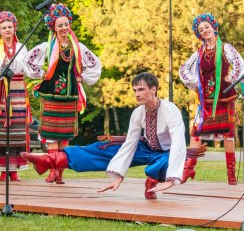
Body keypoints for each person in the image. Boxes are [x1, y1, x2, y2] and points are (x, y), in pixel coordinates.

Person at [21, 72, 188, 199]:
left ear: (153, 89)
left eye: (141, 89)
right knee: (102, 149)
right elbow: (129, 145)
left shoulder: (170, 110)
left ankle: (153, 180)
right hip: (146, 148)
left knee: (162, 161)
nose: (137, 94)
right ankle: (48, 161)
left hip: (166, 153)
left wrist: (171, 180)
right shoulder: (138, 113)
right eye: (135, 90)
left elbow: (179, 143)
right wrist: (118, 176)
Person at [24, 3, 101, 184]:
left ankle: (60, 173)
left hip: (70, 95)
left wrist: (82, 77)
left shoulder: (77, 47)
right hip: (51, 94)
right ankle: (52, 171)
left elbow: (95, 63)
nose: (64, 28)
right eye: (60, 25)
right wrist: (40, 74)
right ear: (54, 27)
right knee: (51, 134)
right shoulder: (47, 47)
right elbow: (29, 60)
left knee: (64, 136)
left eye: (66, 24)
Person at [179, 13, 244, 185]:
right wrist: (193, 83)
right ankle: (188, 169)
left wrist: (231, 77)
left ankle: (231, 176)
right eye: (201, 30)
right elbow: (184, 68)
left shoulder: (225, 47)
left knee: (228, 135)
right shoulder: (199, 52)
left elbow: (239, 64)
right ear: (199, 34)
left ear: (213, 27)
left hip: (224, 97)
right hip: (205, 99)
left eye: (206, 27)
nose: (204, 31)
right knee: (196, 133)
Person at [0, 11, 32, 181]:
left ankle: (15, 169)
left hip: (18, 88)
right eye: (4, 27)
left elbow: (27, 67)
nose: (7, 30)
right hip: (1, 91)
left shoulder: (22, 47)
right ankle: (4, 169)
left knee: (18, 128)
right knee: (3, 130)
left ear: (14, 28)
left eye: (9, 27)